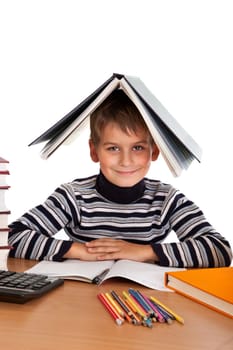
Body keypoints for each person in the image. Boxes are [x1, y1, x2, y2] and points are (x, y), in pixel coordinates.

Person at [8, 90, 232, 267]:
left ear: (154, 151)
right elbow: (11, 237)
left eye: (138, 147)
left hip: (142, 300)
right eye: (113, 148)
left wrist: (143, 252)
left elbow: (219, 250)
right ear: (94, 151)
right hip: (80, 300)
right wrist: (81, 251)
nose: (126, 161)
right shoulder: (73, 196)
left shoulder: (167, 200)